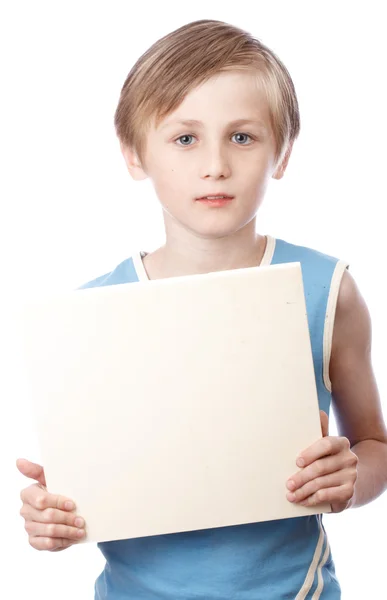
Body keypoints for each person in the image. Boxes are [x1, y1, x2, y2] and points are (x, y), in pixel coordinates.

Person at [17, 18, 387, 599]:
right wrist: (54, 515)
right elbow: (88, 486)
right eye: (185, 138)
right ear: (135, 155)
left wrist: (349, 478)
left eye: (242, 136)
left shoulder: (328, 288)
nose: (214, 164)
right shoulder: (92, 315)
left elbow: (374, 448)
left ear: (282, 152)